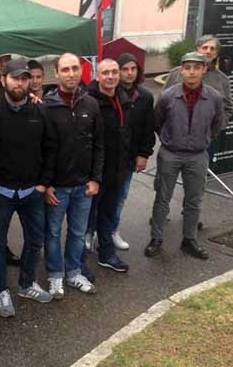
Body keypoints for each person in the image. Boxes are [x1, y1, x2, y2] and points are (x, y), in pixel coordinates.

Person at [0, 58, 52, 318]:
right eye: (15, 78)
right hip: (1, 192)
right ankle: (1, 291)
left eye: (24, 78)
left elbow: (50, 149)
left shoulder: (40, 111)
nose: (20, 83)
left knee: (35, 240)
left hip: (31, 193)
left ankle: (26, 284)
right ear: (4, 80)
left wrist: (42, 184)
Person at [145, 52, 225, 260]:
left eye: (196, 67)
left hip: (198, 155)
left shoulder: (214, 97)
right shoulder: (168, 96)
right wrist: (169, 138)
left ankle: (189, 239)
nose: (191, 72)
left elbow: (217, 124)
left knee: (194, 200)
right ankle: (156, 239)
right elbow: (157, 121)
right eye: (187, 67)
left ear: (204, 70)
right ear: (181, 70)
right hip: (170, 154)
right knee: (162, 198)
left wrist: (204, 140)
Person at [43, 53, 104, 298]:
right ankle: (55, 276)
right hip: (56, 187)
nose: (71, 74)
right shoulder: (47, 106)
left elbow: (99, 145)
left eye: (75, 68)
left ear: (81, 71)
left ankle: (74, 273)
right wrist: (45, 184)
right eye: (65, 69)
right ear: (56, 74)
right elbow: (42, 149)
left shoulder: (91, 104)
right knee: (54, 233)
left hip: (83, 186)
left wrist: (95, 179)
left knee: (78, 233)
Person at [86, 59, 133, 273]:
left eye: (115, 72)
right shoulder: (89, 100)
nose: (111, 76)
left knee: (106, 216)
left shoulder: (124, 99)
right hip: (93, 173)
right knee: (82, 219)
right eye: (106, 72)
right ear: (98, 76)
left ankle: (106, 254)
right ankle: (76, 265)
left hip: (116, 171)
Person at [111, 53, 156, 250]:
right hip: (108, 157)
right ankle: (91, 231)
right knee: (98, 199)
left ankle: (113, 230)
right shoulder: (109, 93)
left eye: (133, 69)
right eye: (125, 69)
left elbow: (148, 128)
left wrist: (144, 154)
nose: (129, 73)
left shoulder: (145, 97)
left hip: (129, 158)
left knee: (120, 196)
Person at [164, 35, 233, 125]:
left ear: (216, 54)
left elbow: (228, 107)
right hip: (176, 131)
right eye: (205, 47)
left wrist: (217, 126)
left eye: (212, 49)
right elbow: (163, 101)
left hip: (206, 134)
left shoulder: (222, 79)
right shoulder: (176, 73)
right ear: (197, 50)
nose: (208, 51)